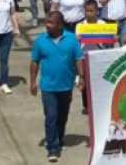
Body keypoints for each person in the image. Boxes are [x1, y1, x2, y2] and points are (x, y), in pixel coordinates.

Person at [30, 11, 84, 163]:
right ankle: (52, 148)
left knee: (62, 116)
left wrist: (81, 78)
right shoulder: (40, 41)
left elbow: (78, 59)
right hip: (48, 87)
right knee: (51, 117)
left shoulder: (72, 39)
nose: (47, 25)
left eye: (51, 23)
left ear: (60, 25)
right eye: (47, 22)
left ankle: (59, 139)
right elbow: (34, 62)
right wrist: (33, 82)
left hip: (66, 86)